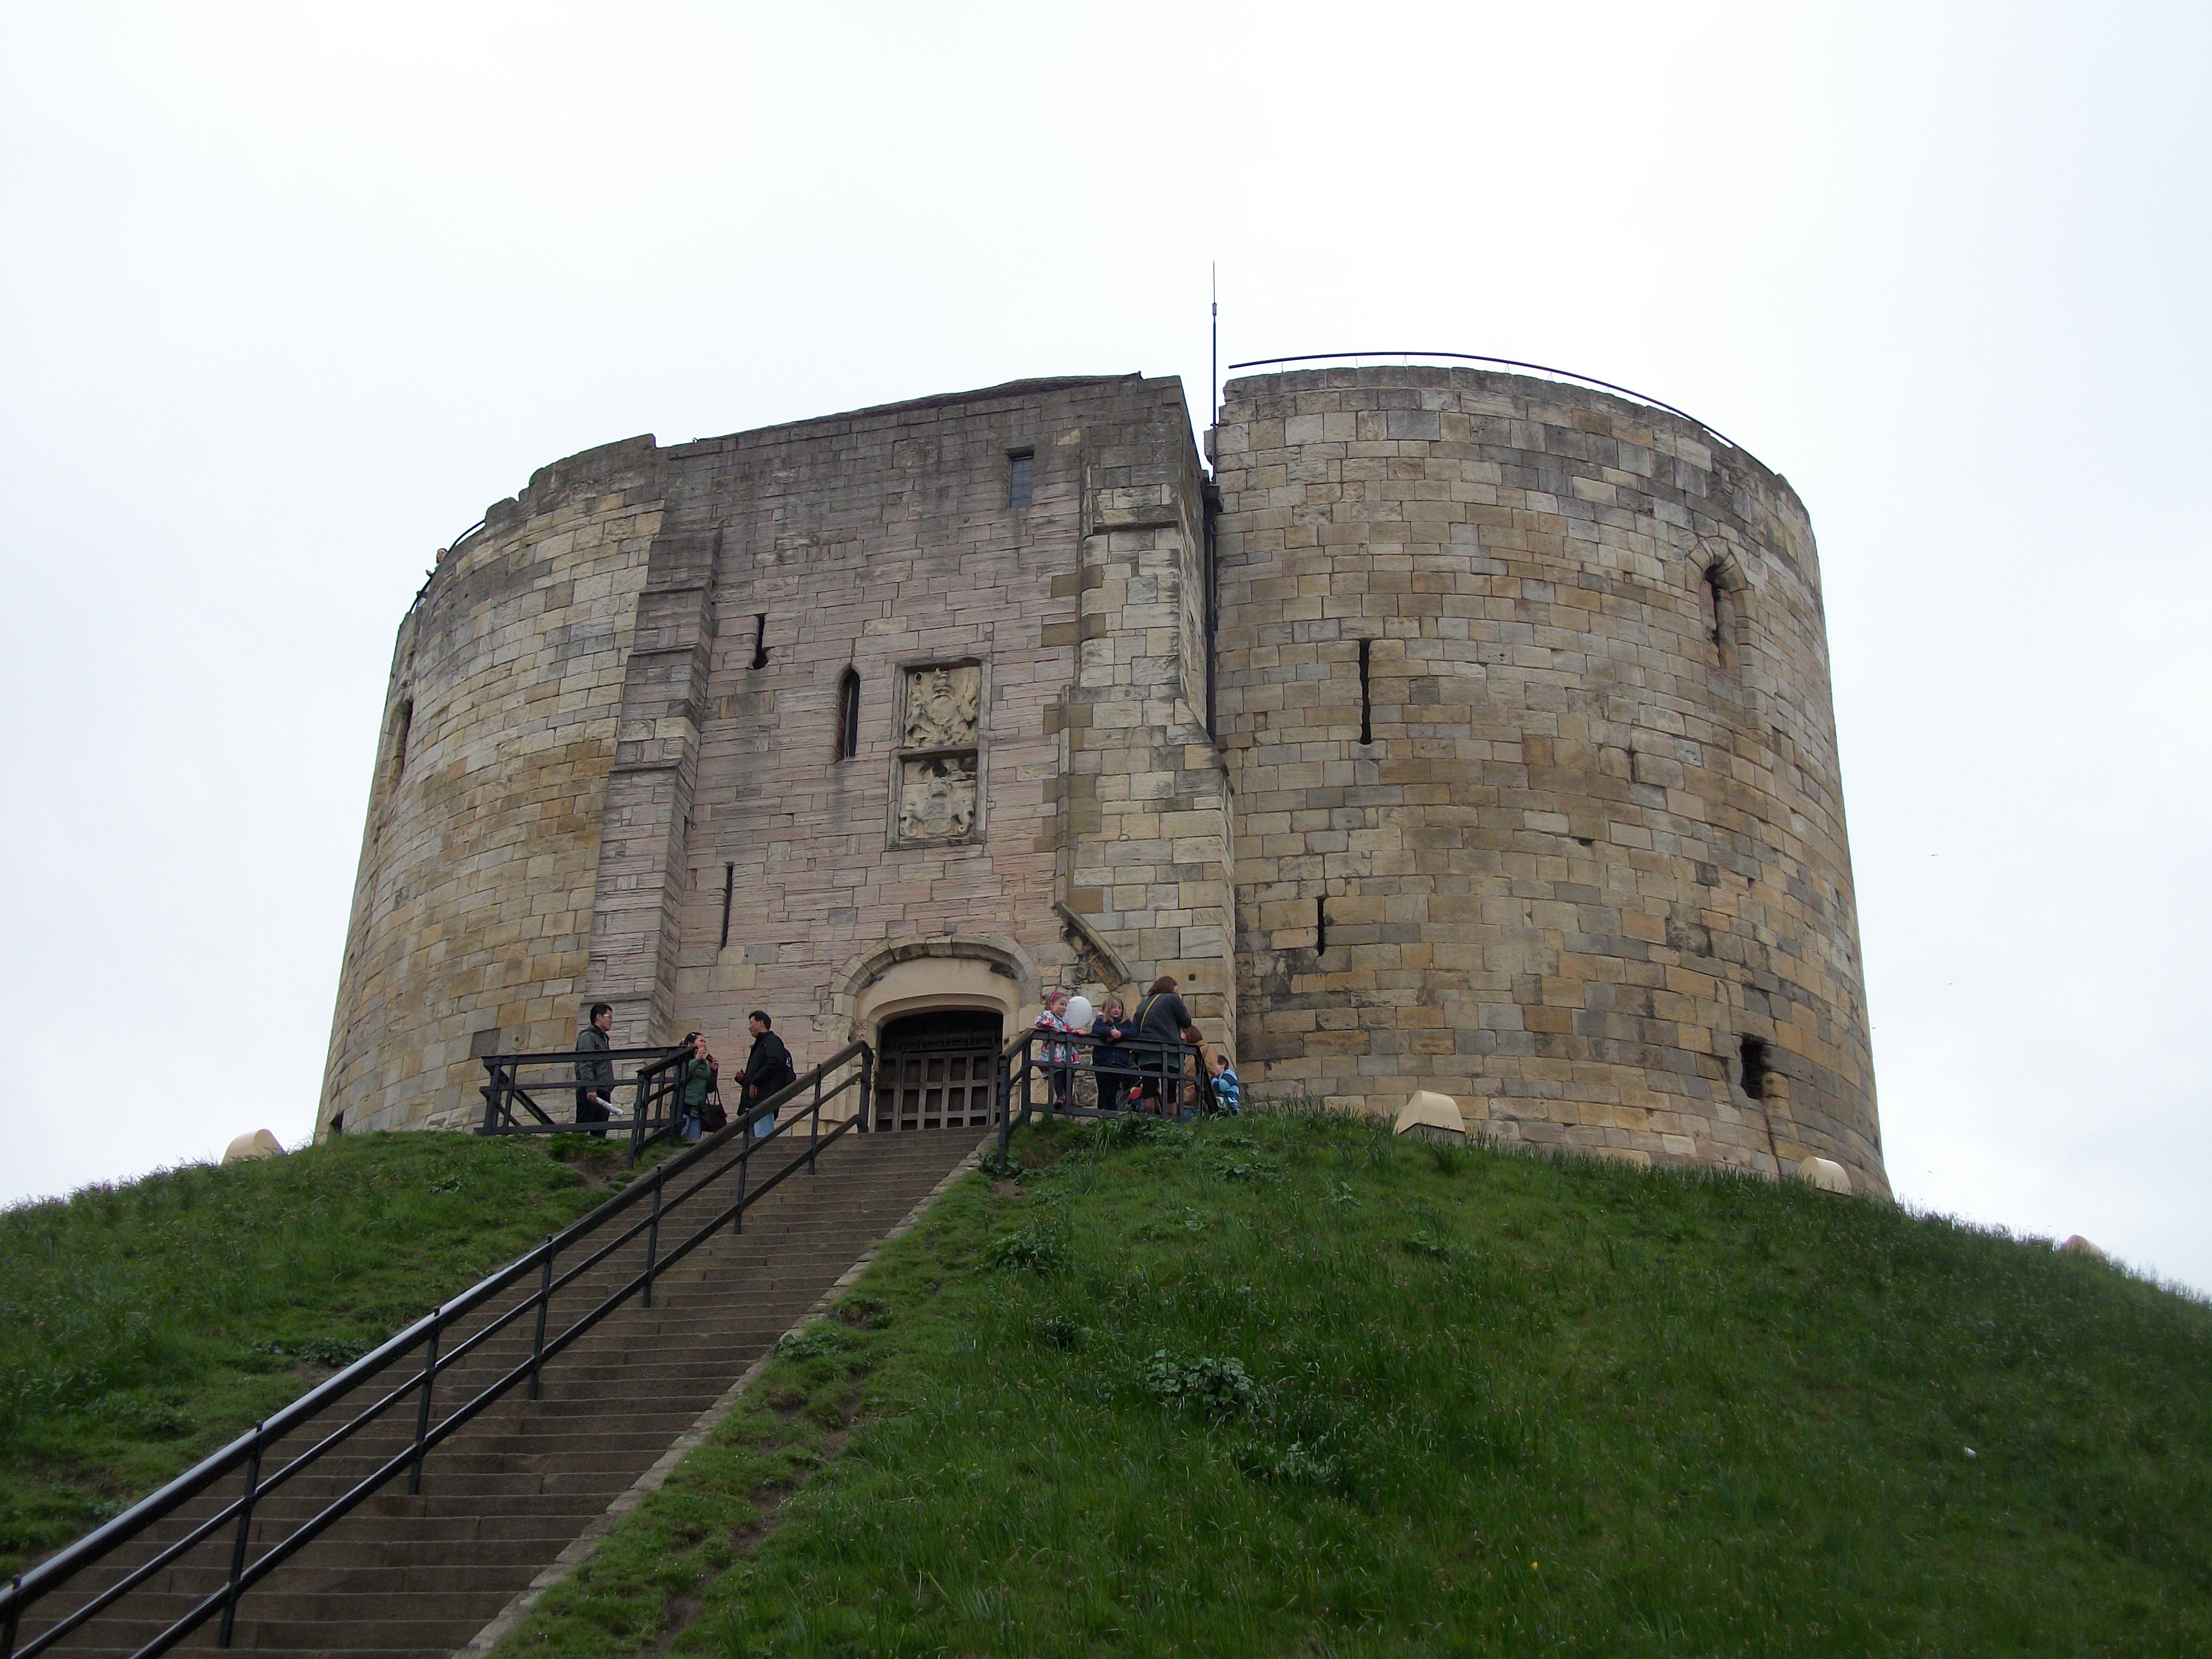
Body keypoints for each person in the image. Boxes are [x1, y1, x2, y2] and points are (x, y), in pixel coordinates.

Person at [1131, 976, 1194, 1115]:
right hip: (1170, 1052)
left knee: (1149, 1090)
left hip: (1147, 1053)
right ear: (1172, 989)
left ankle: (1149, 1121)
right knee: (1170, 1093)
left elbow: (1135, 1028)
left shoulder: (1143, 1004)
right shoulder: (1172, 999)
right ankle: (1171, 1124)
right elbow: (1186, 1022)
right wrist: (1179, 1000)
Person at [739, 1010, 796, 1139]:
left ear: (761, 1023)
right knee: (750, 1140)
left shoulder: (771, 1041)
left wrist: (756, 1081)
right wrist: (745, 1080)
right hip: (755, 1101)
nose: (749, 1027)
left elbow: (774, 1061)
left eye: (752, 1023)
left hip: (764, 1099)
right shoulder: (760, 1045)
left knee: (762, 1137)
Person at [573, 1002, 615, 1136]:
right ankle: (571, 1153)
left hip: (603, 1089)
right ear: (599, 1017)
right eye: (609, 1017)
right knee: (583, 1126)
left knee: (600, 1131)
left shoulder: (602, 1039)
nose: (611, 1021)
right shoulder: (588, 1036)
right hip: (591, 1090)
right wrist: (591, 1088)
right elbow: (585, 1063)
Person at [1090, 995, 1137, 1112]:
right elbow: (1096, 1031)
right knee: (1103, 1093)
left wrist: (1120, 1035)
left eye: (1119, 1008)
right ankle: (1102, 1118)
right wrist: (1109, 1032)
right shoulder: (1102, 1022)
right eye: (1113, 1008)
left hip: (1119, 1063)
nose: (1117, 1010)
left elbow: (1134, 1033)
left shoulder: (1126, 1023)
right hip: (1103, 1062)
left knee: (1113, 1093)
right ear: (1107, 1009)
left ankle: (1113, 1118)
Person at [1034, 990, 1074, 1109]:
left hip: (1065, 1052)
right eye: (1061, 1004)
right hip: (1054, 1051)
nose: (1064, 1008)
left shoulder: (1065, 1021)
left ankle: (1070, 1096)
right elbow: (1038, 1021)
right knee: (1058, 1072)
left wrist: (1077, 1032)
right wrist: (1053, 1026)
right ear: (1052, 1005)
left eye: (1066, 1005)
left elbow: (1069, 1030)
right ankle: (1060, 1096)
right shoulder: (1048, 1015)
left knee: (1069, 1072)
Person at [677, 1032, 717, 1144]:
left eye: (705, 1042)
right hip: (684, 1106)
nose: (704, 1044)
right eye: (701, 1041)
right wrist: (697, 1060)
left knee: (694, 1143)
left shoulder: (705, 1064)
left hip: (699, 1109)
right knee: (680, 1140)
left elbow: (710, 1088)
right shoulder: (683, 1059)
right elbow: (680, 1075)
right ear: (691, 1044)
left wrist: (714, 1071)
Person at [1204, 1044, 1242, 1116]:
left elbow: (1222, 1086)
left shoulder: (1230, 1073)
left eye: (1214, 1065)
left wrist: (1214, 1078)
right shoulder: (1219, 1078)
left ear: (1222, 1065)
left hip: (1230, 1105)